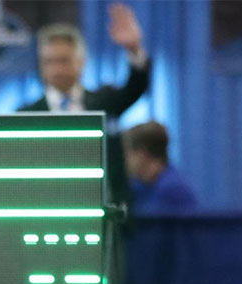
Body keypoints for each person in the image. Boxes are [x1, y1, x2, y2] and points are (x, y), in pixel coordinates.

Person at [18, 4, 150, 205]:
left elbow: (135, 88)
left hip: (105, 212)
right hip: (47, 212)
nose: (57, 69)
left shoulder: (104, 103)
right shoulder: (26, 115)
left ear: (80, 61)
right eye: (49, 62)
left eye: (63, 61)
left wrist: (134, 49)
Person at [123, 121, 197, 214]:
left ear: (142, 154)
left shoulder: (171, 191)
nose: (124, 161)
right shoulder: (144, 188)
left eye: (127, 154)